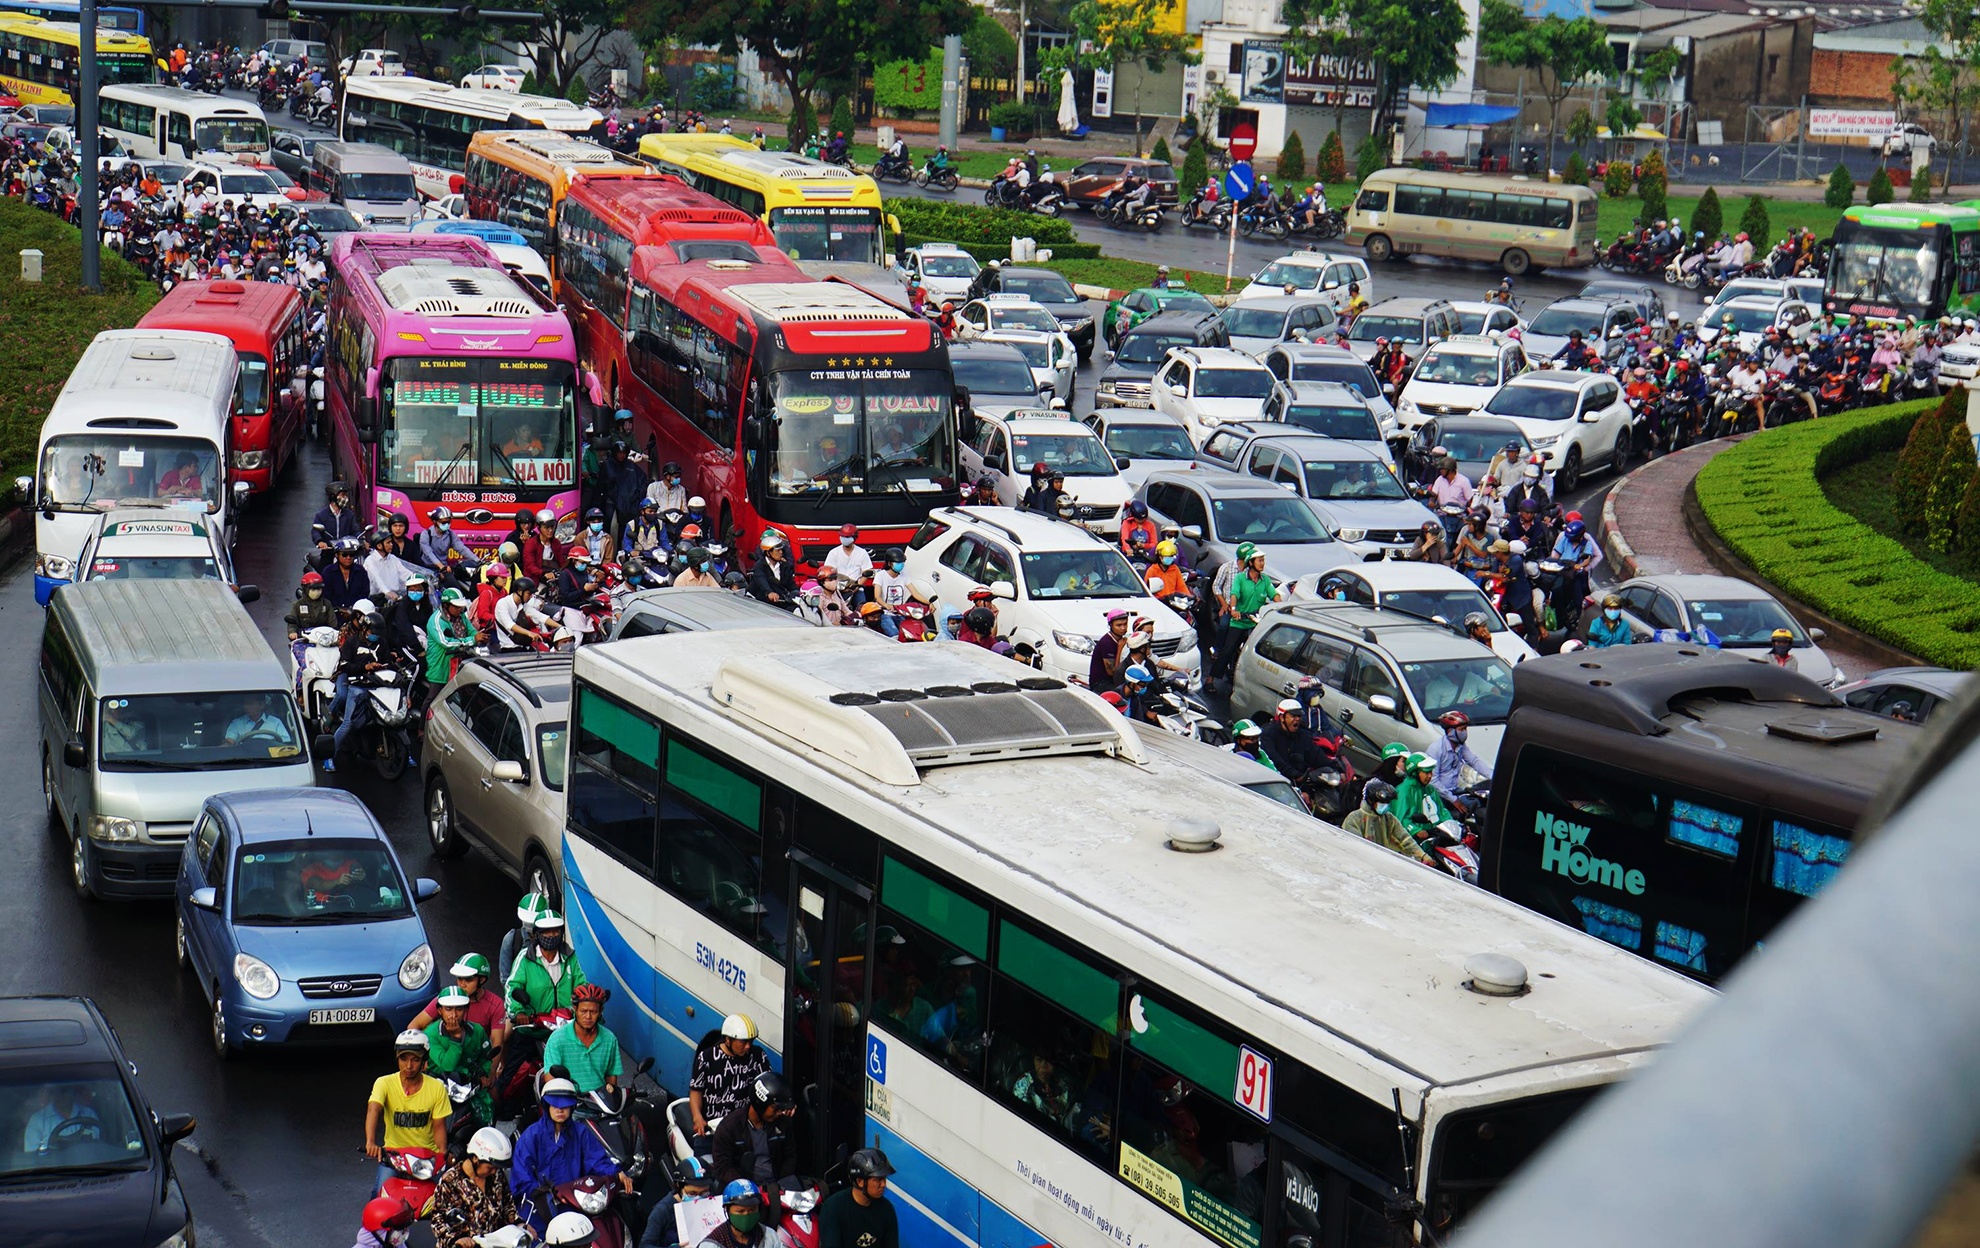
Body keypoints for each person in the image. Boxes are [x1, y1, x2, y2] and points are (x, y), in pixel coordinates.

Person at [512, 1077, 631, 1235]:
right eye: (555, 1105)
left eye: (565, 1106)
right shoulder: (531, 1136)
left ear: (572, 1107)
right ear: (546, 1106)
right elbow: (522, 1176)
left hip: (575, 1202)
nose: (560, 1110)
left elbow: (597, 1161)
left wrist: (617, 1172)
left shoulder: (580, 1132)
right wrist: (542, 1194)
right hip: (538, 1207)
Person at [365, 1031, 451, 1195]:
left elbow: (439, 1126)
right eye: (404, 1059)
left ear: (424, 1061)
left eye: (415, 1059)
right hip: (393, 1156)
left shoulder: (436, 1088)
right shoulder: (384, 1083)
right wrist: (370, 1142)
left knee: (443, 1198)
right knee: (379, 1196)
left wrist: (441, 1154)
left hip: (426, 1157)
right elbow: (373, 1109)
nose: (409, 1065)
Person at [690, 1014, 773, 1147]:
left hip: (744, 1128)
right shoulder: (706, 1057)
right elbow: (696, 1091)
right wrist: (697, 1117)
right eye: (743, 1042)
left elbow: (770, 1084)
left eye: (750, 1042)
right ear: (728, 1040)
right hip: (714, 1128)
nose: (748, 1047)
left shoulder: (758, 1056)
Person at [422, 988, 494, 1139]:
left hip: (470, 1086)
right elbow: (447, 1065)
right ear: (440, 1010)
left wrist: (485, 1074)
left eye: (459, 1009)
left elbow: (486, 1057)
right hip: (440, 1088)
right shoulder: (430, 1034)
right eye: (448, 1009)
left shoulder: (478, 1031)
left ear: (466, 1010)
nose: (453, 1015)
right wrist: (455, 1039)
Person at [429, 1127, 519, 1248]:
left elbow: (508, 1204)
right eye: (490, 1167)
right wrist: (457, 1239)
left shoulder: (497, 1176)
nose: (494, 1172)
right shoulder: (450, 1181)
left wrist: (519, 1223)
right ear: (475, 1158)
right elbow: (437, 1219)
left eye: (497, 1168)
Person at [709, 1073, 797, 1191]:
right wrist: (747, 1188)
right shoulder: (729, 1127)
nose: (779, 1113)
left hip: (776, 1189)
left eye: (781, 1109)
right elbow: (723, 1168)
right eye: (775, 1109)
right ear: (760, 1104)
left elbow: (790, 1156)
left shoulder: (783, 1123)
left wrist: (782, 1187)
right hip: (741, 1191)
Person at [541, 983, 624, 1095]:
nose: (588, 1017)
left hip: (600, 1103)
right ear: (575, 1009)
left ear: (600, 1011)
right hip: (570, 1103)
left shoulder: (609, 1039)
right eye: (583, 1011)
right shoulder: (557, 1039)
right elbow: (551, 1079)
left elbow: (611, 1076)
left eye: (593, 1012)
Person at [507, 909, 588, 1021]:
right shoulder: (525, 958)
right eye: (546, 931)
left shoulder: (570, 957)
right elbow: (512, 986)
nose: (551, 935)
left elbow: (581, 985)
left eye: (555, 931)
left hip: (564, 1027)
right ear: (536, 934)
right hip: (533, 1025)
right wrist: (518, 1012)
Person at [819, 1148, 900, 1248]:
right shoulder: (833, 1208)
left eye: (884, 1179)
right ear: (860, 1181)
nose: (883, 1184)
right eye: (878, 1179)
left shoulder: (886, 1209)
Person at [1342, 780, 1435, 865]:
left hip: (1383, 864)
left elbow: (1405, 839)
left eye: (1388, 802)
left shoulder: (1389, 819)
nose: (1386, 806)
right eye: (1382, 802)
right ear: (1370, 801)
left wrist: (1423, 856)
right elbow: (1355, 847)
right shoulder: (1354, 819)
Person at [695, 1180, 790, 1248]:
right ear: (727, 1210)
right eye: (740, 1211)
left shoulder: (769, 1235)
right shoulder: (713, 1244)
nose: (746, 1215)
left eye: (752, 1210)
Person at [1394, 752, 1457, 845]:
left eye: (1431, 772)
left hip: (1436, 839)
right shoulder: (1403, 791)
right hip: (1415, 844)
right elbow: (1399, 819)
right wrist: (1416, 830)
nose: (1430, 776)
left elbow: (1442, 811)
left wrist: (1453, 825)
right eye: (1426, 772)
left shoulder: (1430, 789)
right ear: (1415, 772)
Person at [1427, 710, 1492, 801]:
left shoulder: (1460, 746)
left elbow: (1474, 761)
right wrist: (1453, 800)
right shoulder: (1436, 749)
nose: (1465, 732)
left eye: (1465, 729)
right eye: (1462, 729)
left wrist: (1493, 775)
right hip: (1439, 796)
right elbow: (1433, 781)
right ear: (1450, 731)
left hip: (1454, 790)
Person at [1259, 698, 1329, 779]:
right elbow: (1275, 761)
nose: (1298, 719)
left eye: (1299, 716)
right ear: (1282, 717)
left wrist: (1336, 768)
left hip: (1300, 781)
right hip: (1277, 779)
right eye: (1293, 716)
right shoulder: (1268, 734)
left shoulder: (1302, 735)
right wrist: (1296, 776)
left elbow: (1316, 755)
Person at [22, 1083, 98, 1153]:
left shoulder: (89, 1114)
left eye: (63, 1091)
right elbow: (32, 1158)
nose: (59, 1096)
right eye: (53, 1092)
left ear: (71, 1091)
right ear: (49, 1095)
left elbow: (98, 1148)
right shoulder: (37, 1120)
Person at [747, 530, 799, 608]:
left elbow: (790, 584)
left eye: (781, 550)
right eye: (778, 550)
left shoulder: (784, 565)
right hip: (761, 604)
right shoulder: (759, 566)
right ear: (768, 553)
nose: (781, 552)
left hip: (781, 603)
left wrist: (797, 593)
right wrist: (770, 592)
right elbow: (762, 580)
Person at [1087, 609, 1132, 695]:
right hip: (1101, 684)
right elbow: (1113, 672)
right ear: (1111, 625)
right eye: (1118, 625)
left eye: (1125, 624)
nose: (1123, 628)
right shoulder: (1107, 643)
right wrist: (1119, 649)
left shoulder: (1121, 639)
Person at [222, 692, 291, 746]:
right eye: (245, 703)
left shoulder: (275, 723)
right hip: (244, 759)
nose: (246, 707)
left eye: (251, 704)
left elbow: (285, 743)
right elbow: (230, 741)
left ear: (262, 705)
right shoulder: (237, 723)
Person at [312, 481, 363, 552]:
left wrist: (361, 539)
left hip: (346, 552)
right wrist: (320, 541)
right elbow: (315, 531)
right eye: (343, 495)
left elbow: (355, 530)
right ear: (333, 497)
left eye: (345, 495)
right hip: (328, 552)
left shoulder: (349, 515)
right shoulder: (321, 516)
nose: (345, 498)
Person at [821, 524, 871, 588]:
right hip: (837, 588)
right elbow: (828, 571)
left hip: (856, 587)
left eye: (847, 537)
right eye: (843, 536)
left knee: (860, 598)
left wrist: (857, 585)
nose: (844, 539)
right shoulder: (833, 553)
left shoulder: (862, 553)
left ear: (854, 538)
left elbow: (866, 571)